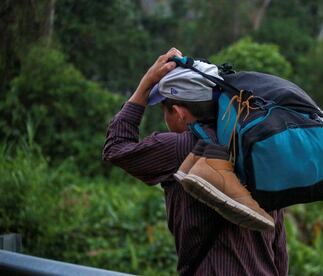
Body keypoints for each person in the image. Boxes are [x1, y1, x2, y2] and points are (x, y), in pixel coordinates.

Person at [102, 48, 288, 275]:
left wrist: (146, 82)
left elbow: (116, 147)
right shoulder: (253, 147)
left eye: (165, 111)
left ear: (179, 113)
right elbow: (278, 243)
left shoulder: (181, 148)